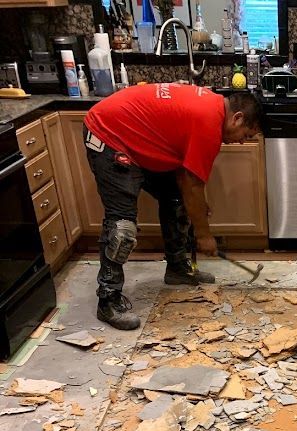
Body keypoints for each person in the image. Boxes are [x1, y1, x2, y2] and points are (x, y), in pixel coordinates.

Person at [83, 84, 263, 330]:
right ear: (237, 117)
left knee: (178, 199)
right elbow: (192, 183)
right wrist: (204, 235)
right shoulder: (208, 122)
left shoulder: (213, 110)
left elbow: (186, 181)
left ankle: (178, 268)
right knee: (122, 226)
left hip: (138, 137)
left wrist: (196, 206)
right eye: (245, 135)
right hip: (109, 135)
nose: (242, 142)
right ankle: (108, 300)